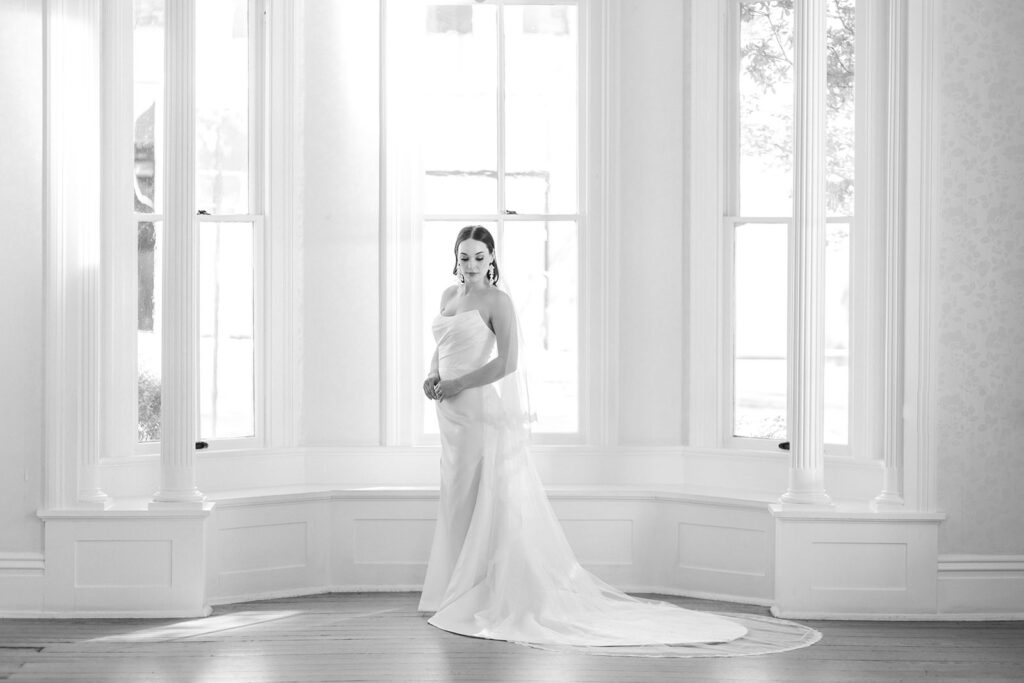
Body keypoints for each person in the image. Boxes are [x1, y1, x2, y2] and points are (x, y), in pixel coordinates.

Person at [416, 225, 819, 657]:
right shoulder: (448, 297)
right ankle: (456, 589)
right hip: (450, 415)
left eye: (479, 257)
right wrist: (433, 375)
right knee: (457, 500)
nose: (471, 265)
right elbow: (441, 345)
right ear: (455, 257)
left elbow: (508, 363)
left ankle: (487, 591)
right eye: (465, 257)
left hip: (478, 412)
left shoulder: (498, 302)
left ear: (492, 258)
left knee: (486, 501)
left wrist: (458, 382)